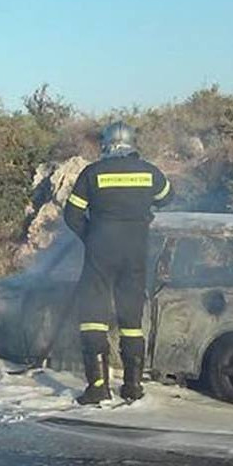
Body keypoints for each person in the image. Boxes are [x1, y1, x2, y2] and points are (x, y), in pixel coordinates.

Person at [63, 123, 172, 404]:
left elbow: (72, 214)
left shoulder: (93, 173)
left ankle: (98, 387)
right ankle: (133, 386)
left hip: (101, 252)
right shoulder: (149, 172)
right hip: (135, 253)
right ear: (133, 144)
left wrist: (92, 237)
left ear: (106, 145)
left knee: (93, 319)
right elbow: (167, 198)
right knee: (132, 322)